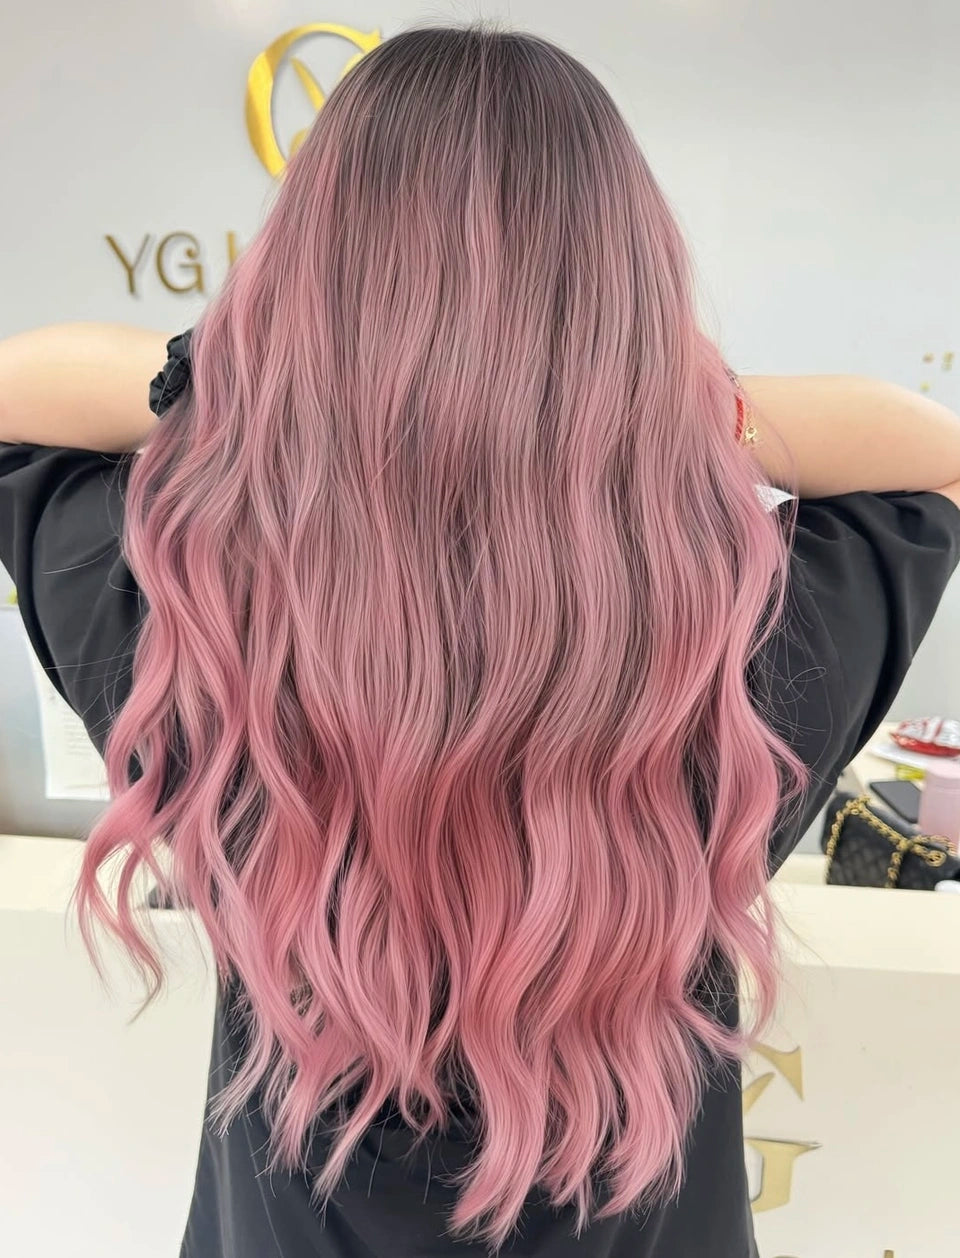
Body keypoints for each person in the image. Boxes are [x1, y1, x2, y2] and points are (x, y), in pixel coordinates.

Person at [1, 25, 959, 1258]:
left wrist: (264, 376)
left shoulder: (200, 649)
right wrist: (640, 398)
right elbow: (933, 458)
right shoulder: (742, 661)